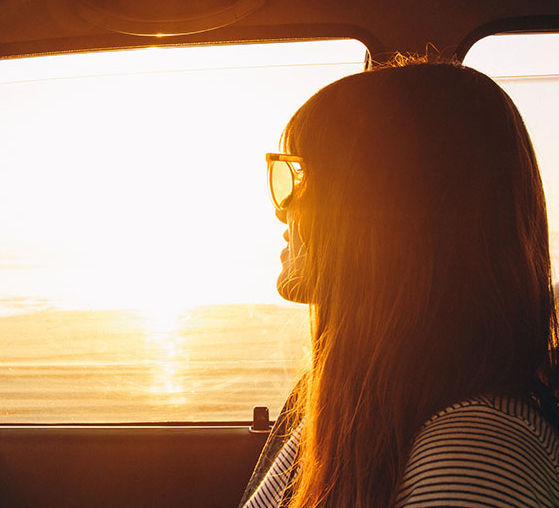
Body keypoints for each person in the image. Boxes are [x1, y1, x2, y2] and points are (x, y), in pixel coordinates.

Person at [240, 61, 559, 508]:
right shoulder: (350, 407)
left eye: (302, 176)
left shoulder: (473, 455)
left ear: (380, 212)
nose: (282, 208)